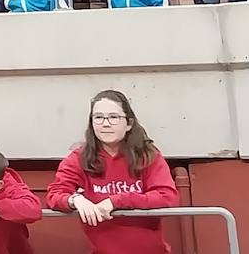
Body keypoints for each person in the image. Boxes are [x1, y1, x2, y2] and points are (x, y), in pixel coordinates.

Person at [46, 90, 177, 254]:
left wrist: (118, 201)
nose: (105, 124)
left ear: (128, 123)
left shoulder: (148, 155)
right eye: (98, 117)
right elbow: (54, 194)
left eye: (114, 117)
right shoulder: (79, 158)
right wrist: (75, 200)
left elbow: (167, 197)